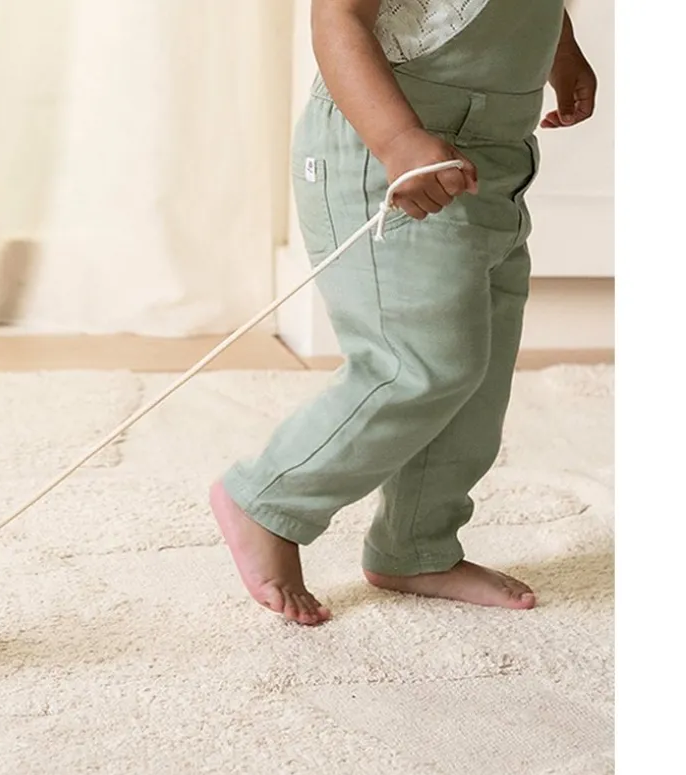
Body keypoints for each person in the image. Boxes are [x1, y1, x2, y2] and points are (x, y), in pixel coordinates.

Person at [211, 0, 597, 624]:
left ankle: (417, 546)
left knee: (478, 375)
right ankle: (269, 499)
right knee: (415, 364)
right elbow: (338, 18)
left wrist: (562, 50)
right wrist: (396, 139)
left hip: (496, 159)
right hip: (386, 150)